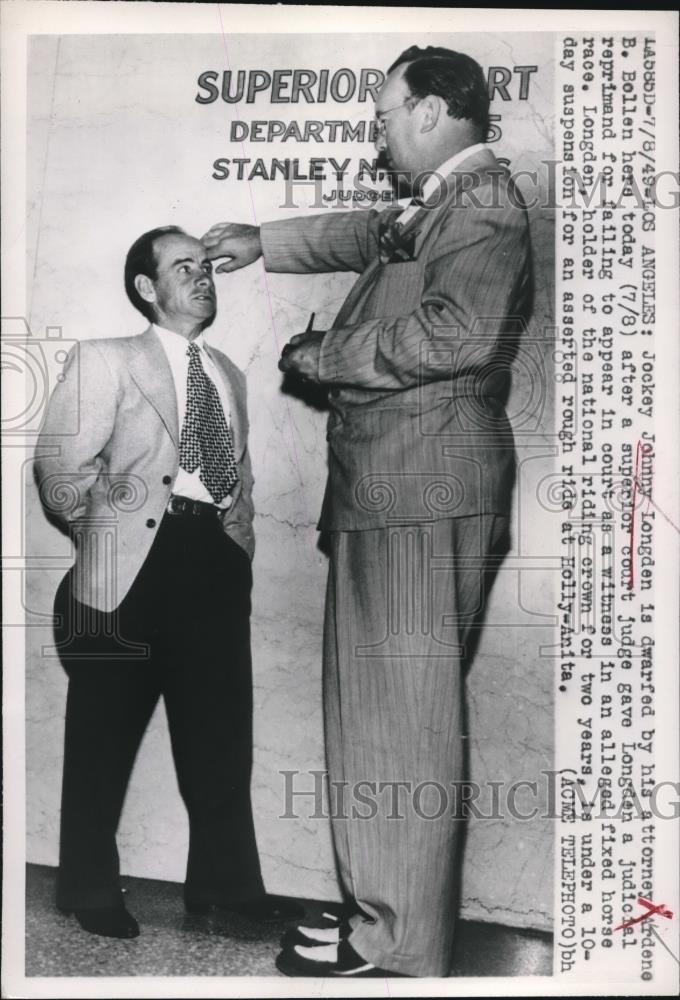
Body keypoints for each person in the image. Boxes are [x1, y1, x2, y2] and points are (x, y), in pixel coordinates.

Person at [204, 44, 532, 979]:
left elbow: (452, 334)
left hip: (419, 481)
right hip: (402, 477)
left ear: (431, 111)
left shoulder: (482, 206)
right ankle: (379, 916)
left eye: (386, 113)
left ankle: (396, 945)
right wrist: (262, 241)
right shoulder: (445, 202)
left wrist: (320, 356)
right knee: (381, 713)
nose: (378, 130)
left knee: (402, 717)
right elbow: (366, 234)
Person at [34, 226, 302, 938]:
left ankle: (225, 886)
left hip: (211, 565)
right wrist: (106, 535)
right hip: (128, 572)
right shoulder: (106, 360)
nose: (203, 277)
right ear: (147, 289)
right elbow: (60, 470)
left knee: (220, 738)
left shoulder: (228, 374)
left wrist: (235, 550)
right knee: (102, 737)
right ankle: (88, 887)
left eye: (207, 266)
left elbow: (238, 482)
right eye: (184, 267)